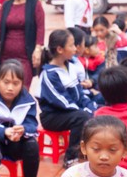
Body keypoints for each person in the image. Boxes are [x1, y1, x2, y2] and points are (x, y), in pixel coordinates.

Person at [34, 29, 96, 168]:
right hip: (53, 117)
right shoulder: (49, 74)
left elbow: (79, 93)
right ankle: (70, 158)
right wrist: (84, 110)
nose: (75, 48)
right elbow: (63, 102)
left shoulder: (70, 66)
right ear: (60, 49)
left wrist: (90, 105)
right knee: (82, 117)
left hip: (70, 112)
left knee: (97, 106)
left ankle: (87, 150)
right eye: (72, 45)